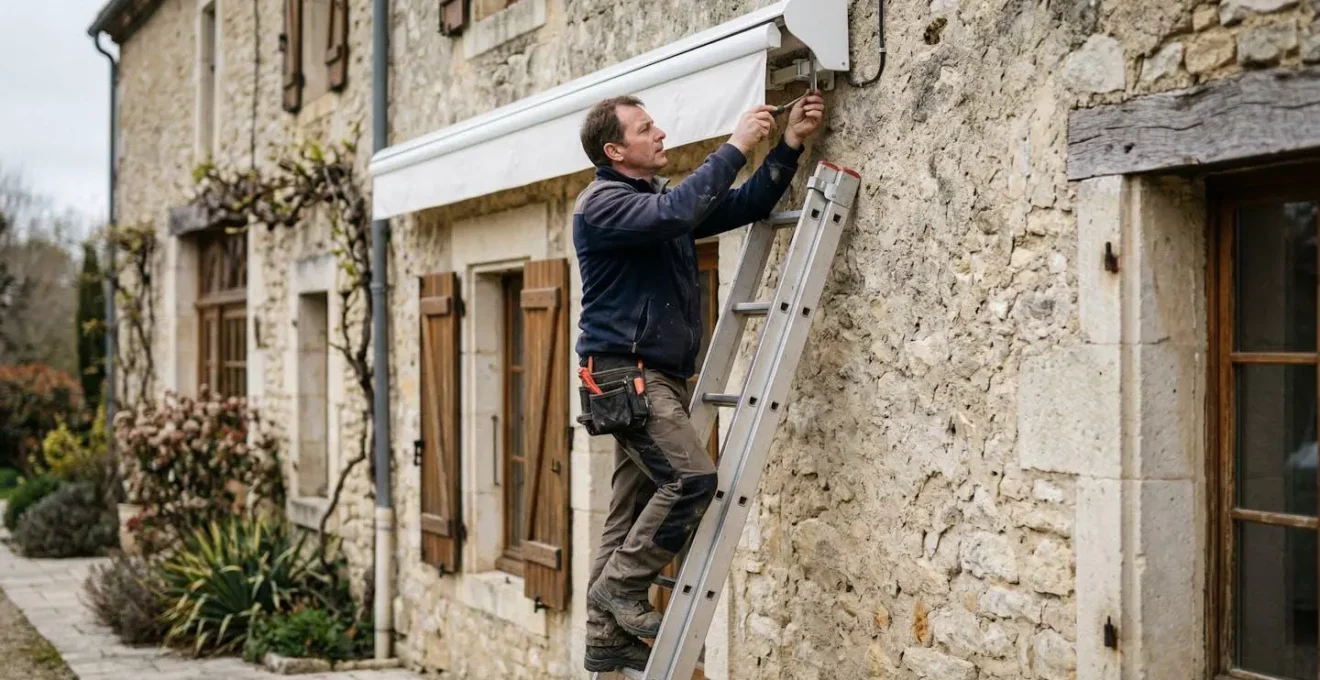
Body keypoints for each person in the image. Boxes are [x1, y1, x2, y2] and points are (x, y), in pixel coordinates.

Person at [574, 91, 825, 673]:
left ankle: (602, 634)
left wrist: (787, 145)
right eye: (645, 128)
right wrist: (736, 144)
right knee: (691, 478)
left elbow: (741, 206)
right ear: (616, 150)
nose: (660, 133)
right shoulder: (604, 204)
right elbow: (680, 213)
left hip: (647, 376)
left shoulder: (651, 203)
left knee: (628, 509)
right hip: (625, 375)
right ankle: (618, 592)